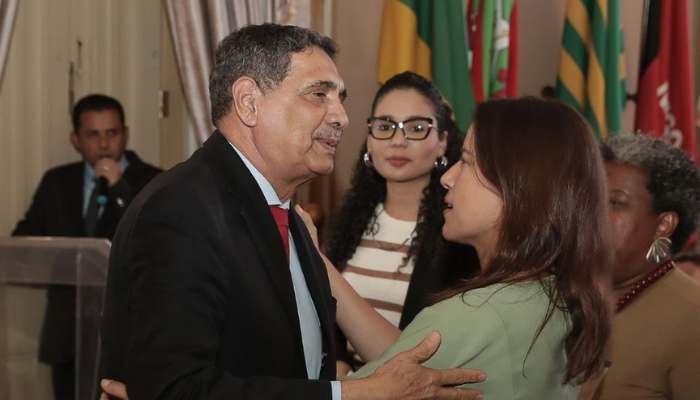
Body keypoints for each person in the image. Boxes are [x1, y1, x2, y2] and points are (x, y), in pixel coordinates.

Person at [99, 23, 485, 400]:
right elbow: (177, 388)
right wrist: (354, 394)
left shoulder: (286, 213)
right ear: (249, 102)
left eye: (340, 98)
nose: (341, 117)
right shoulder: (182, 209)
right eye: (318, 94)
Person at [319, 97, 613, 398]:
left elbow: (371, 388)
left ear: (518, 185)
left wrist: (340, 378)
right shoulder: (553, 294)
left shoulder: (475, 315)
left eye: (468, 162)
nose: (448, 178)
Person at [324, 71, 478, 373]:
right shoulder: (346, 223)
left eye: (416, 128)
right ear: (370, 140)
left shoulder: (458, 235)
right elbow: (326, 318)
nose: (397, 141)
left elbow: (431, 354)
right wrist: (340, 369)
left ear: (443, 142)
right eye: (385, 127)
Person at [12, 94, 161, 400]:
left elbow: (156, 243)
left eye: (112, 133)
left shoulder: (155, 180)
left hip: (127, 336)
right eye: (93, 135)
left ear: (125, 134)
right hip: (67, 335)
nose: (104, 144)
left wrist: (119, 189)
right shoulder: (56, 182)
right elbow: (25, 242)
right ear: (75, 140)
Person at [586, 134, 700, 399]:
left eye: (615, 203)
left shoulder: (693, 319)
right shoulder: (559, 295)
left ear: (664, 225)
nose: (592, 214)